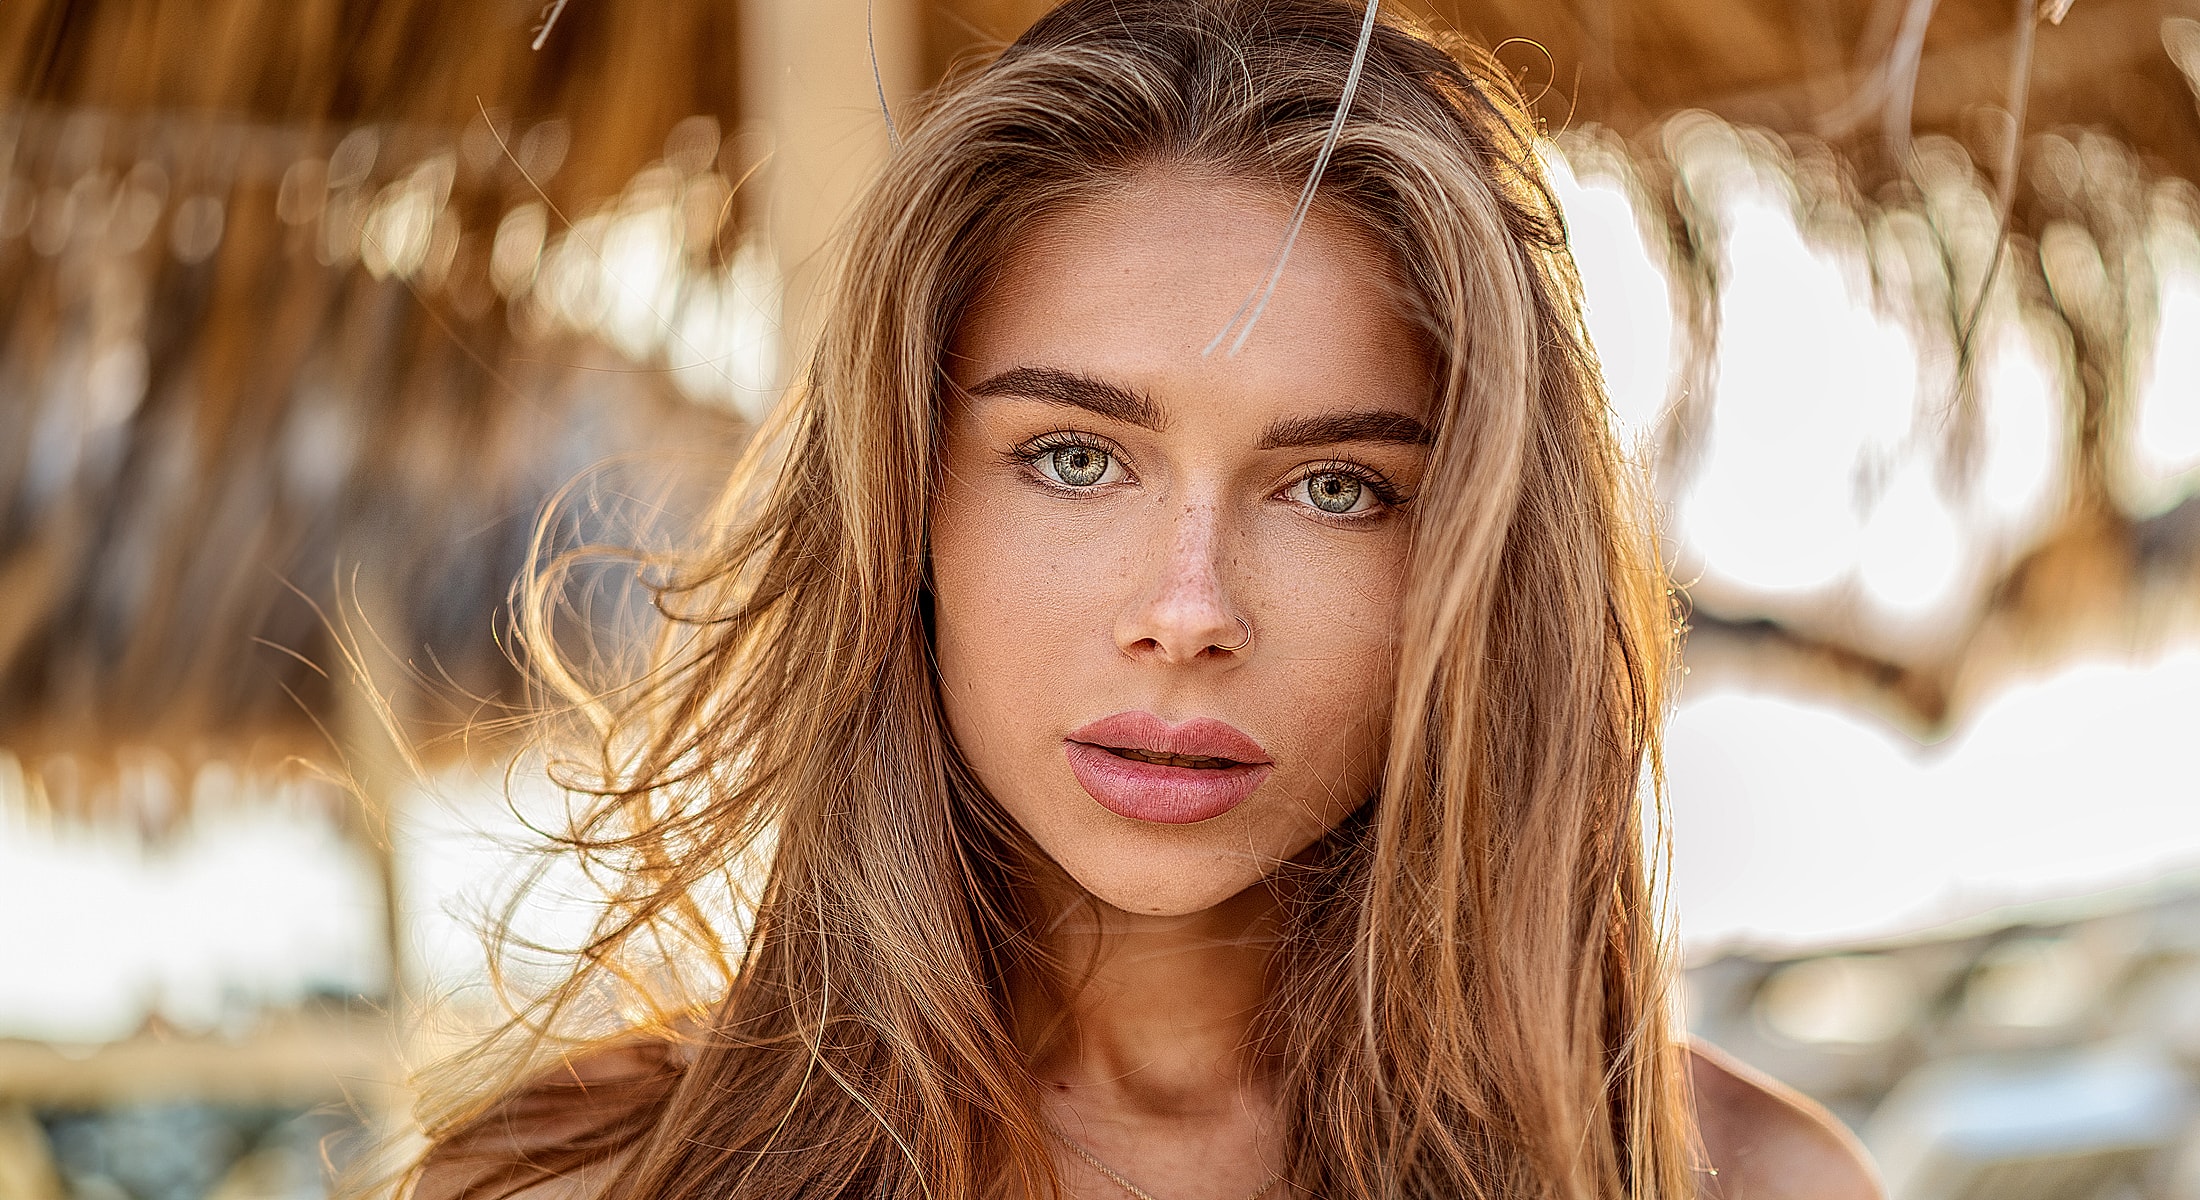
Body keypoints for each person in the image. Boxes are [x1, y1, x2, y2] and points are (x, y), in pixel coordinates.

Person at [407, 1, 1883, 1196]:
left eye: (1337, 488)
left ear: (1478, 562)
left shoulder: (1723, 1182)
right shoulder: (592, 1179)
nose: (1188, 610)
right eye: (1071, 456)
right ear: (906, 507)